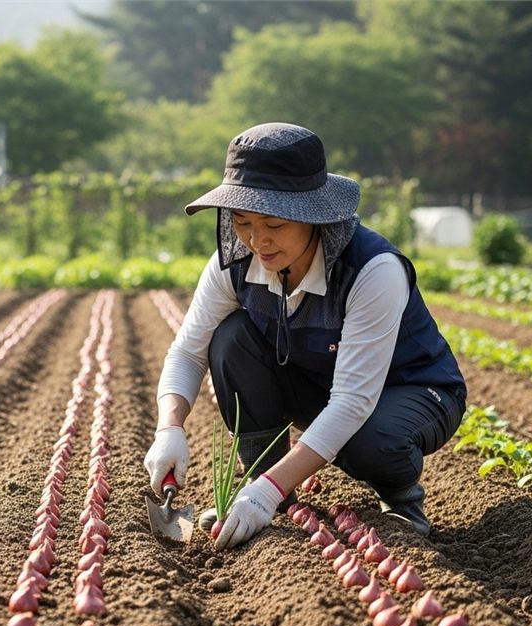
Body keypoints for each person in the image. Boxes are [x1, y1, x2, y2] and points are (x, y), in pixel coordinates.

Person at [143, 123, 467, 551]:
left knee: (371, 441)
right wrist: (170, 428)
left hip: (412, 390)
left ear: (315, 214)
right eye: (241, 221)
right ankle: (267, 480)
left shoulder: (371, 269)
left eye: (273, 223)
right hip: (319, 383)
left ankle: (401, 498)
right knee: (230, 338)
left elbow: (353, 402)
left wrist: (265, 494)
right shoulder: (235, 262)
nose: (257, 239)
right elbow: (187, 350)